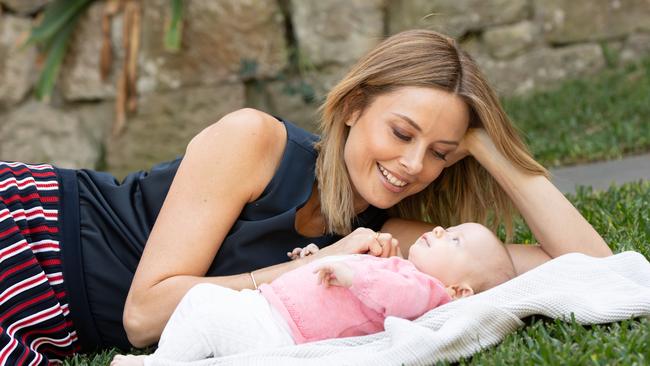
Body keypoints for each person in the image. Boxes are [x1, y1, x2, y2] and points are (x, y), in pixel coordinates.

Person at [0, 29, 612, 364]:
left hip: (61, 320)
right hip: (32, 235)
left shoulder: (387, 242)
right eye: (402, 132)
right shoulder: (254, 140)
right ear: (351, 107)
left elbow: (592, 272)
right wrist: (321, 260)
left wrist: (490, 147)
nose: (413, 164)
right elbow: (144, 316)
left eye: (442, 152)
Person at [111, 223, 516, 365]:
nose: (441, 231)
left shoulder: (426, 290)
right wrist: (315, 259)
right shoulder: (400, 265)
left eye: (456, 241)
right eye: (450, 227)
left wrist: (353, 275)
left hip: (280, 331)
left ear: (458, 290)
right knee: (201, 304)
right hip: (269, 309)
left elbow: (398, 295)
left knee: (204, 310)